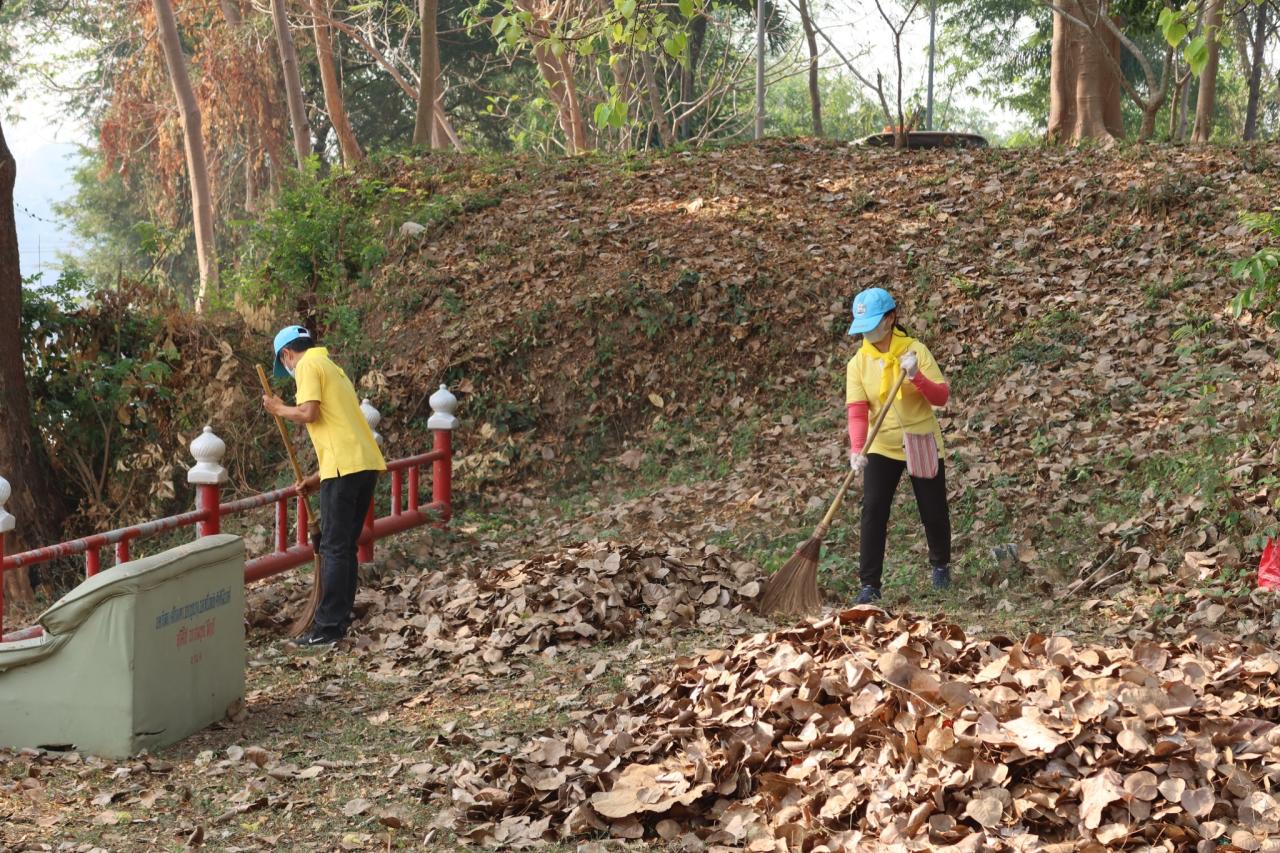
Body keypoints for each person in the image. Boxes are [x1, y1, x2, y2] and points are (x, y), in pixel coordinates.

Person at [262, 326, 386, 646]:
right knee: (343, 546)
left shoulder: (307, 366)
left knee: (333, 547)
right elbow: (341, 431)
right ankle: (338, 619)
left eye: (284, 362)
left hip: (346, 470)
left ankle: (328, 628)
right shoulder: (333, 368)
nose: (288, 369)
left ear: (287, 354)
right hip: (362, 465)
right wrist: (316, 479)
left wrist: (278, 409)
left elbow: (308, 412)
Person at [845, 288, 951, 605]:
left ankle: (941, 566)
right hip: (882, 444)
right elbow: (857, 410)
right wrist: (858, 448)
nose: (867, 331)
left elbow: (941, 398)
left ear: (890, 319)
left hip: (920, 437)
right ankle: (869, 585)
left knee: (933, 510)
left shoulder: (915, 351)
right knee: (874, 510)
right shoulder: (858, 363)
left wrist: (917, 375)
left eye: (874, 322)